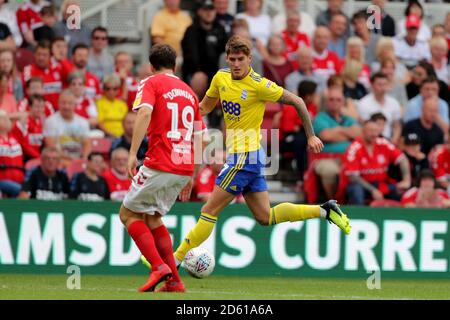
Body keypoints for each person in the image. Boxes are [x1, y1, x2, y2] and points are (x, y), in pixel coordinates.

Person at [162, 35, 350, 278]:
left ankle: (173, 262)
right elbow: (204, 107)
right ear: (227, 59)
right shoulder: (221, 78)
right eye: (232, 59)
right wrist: (183, 115)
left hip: (245, 157)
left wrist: (311, 135)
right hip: (248, 158)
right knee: (265, 216)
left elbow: (298, 101)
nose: (237, 64)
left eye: (241, 59)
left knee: (209, 210)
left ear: (250, 59)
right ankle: (325, 210)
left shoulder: (259, 84)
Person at [119, 44, 206, 293]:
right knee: (153, 217)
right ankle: (175, 282)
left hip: (159, 161)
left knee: (127, 215)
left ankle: (158, 266)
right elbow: (201, 137)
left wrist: (133, 153)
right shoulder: (190, 92)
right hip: (183, 166)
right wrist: (193, 173)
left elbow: (144, 114)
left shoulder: (150, 83)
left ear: (151, 66)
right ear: (175, 67)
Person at [344, 119, 411, 205]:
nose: (374, 134)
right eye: (371, 131)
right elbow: (353, 177)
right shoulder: (354, 148)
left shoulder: (383, 143)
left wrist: (406, 180)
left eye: (376, 131)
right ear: (363, 131)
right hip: (362, 185)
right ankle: (357, 216)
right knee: (356, 191)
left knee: (403, 191)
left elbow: (402, 159)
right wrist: (373, 190)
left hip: (382, 185)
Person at [313, 86, 360, 199]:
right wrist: (348, 134)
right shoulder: (320, 118)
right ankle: (333, 200)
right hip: (325, 158)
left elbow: (358, 135)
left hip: (349, 158)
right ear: (327, 102)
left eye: (338, 99)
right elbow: (326, 136)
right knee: (330, 170)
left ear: (343, 102)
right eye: (331, 99)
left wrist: (337, 130)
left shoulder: (349, 119)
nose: (335, 102)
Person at [181, 0, 227, 99]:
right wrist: (198, 71)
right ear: (199, 12)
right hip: (196, 71)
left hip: (217, 71)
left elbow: (226, 52)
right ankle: (200, 109)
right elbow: (190, 55)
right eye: (205, 10)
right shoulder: (191, 30)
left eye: (211, 10)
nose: (209, 13)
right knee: (199, 78)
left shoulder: (220, 29)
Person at [43, 89, 91, 167]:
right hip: (59, 160)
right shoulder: (51, 121)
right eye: (63, 103)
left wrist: (84, 159)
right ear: (58, 103)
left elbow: (87, 144)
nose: (66, 106)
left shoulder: (83, 122)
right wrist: (73, 161)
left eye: (70, 103)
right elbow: (51, 147)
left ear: (75, 105)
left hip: (79, 159)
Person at [357, 72, 402, 143]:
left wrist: (394, 140)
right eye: (379, 84)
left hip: (389, 140)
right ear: (372, 85)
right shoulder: (363, 103)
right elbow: (364, 127)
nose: (383, 88)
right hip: (371, 141)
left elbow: (397, 126)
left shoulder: (394, 103)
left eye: (385, 84)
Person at [22, 40, 62, 108]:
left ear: (50, 56)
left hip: (59, 111)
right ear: (34, 54)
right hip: (38, 110)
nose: (41, 58)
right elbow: (28, 92)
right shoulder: (28, 70)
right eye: (39, 54)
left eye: (44, 55)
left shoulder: (58, 68)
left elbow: (72, 74)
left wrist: (60, 59)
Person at [11, 94, 45, 160]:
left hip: (38, 157)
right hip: (26, 158)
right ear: (29, 107)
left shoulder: (42, 123)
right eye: (37, 107)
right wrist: (39, 157)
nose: (40, 109)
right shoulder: (23, 122)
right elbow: (24, 146)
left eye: (42, 107)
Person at [0, 109, 24, 198]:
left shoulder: (15, 136)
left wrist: (7, 114)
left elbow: (24, 116)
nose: (7, 120)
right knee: (19, 190)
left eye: (7, 118)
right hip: (2, 180)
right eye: (3, 118)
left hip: (19, 179)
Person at [96, 74, 128, 138]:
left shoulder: (122, 104)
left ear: (118, 90)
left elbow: (127, 121)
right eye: (108, 88)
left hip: (123, 135)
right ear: (103, 89)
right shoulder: (99, 103)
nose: (111, 91)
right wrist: (110, 134)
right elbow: (100, 123)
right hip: (107, 135)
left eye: (114, 89)